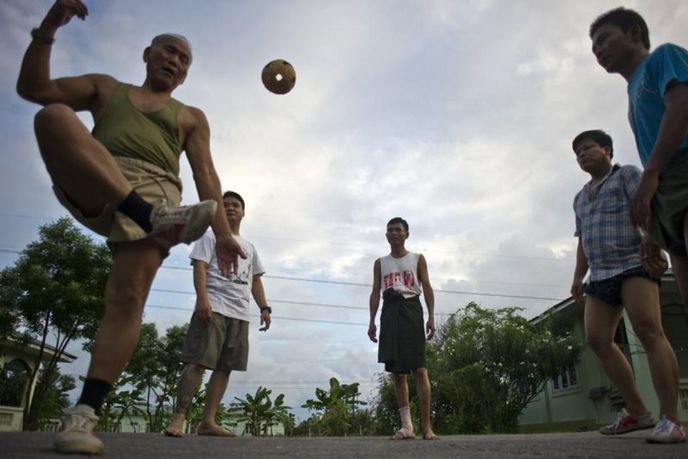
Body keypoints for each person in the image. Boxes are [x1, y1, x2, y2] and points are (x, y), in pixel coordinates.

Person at [16, 0, 246, 454]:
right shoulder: (105, 87)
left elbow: (206, 177)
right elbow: (34, 88)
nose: (174, 60)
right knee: (53, 116)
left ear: (184, 75)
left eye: (183, 59)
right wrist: (49, 26)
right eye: (168, 50)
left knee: (127, 296)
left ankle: (82, 416)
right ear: (148, 54)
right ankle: (142, 215)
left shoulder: (189, 116)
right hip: (99, 177)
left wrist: (222, 234)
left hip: (160, 194)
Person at [570, 129, 684, 443]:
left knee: (648, 330)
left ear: (606, 150)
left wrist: (651, 241)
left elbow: (645, 207)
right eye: (577, 153)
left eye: (587, 148)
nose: (581, 155)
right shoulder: (580, 197)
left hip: (634, 262)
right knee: (597, 339)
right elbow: (582, 241)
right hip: (601, 274)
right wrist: (578, 277)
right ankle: (638, 412)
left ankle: (671, 420)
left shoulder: (627, 176)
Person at [589, 9, 688, 327]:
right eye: (593, 49)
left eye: (604, 39)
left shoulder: (664, 56)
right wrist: (652, 231)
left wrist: (650, 175)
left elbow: (683, 105)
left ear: (633, 33)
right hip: (665, 193)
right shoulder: (632, 94)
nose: (599, 51)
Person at [164, 191, 271, 438]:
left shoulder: (250, 248)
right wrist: (202, 299)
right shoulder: (210, 236)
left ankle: (207, 422)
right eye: (225, 206)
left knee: (224, 368)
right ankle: (178, 417)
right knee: (198, 362)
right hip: (214, 307)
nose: (231, 209)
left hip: (240, 313)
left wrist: (264, 308)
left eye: (236, 205)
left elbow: (255, 280)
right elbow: (199, 266)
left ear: (244, 212)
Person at [368, 217, 438, 441]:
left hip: (411, 308)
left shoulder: (417, 259)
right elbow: (375, 291)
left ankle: (427, 427)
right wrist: (371, 321)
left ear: (407, 233)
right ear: (386, 235)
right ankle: (407, 427)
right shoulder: (380, 262)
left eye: (398, 230)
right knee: (397, 373)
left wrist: (431, 317)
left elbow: (426, 286)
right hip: (389, 311)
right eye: (390, 230)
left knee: (420, 368)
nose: (394, 233)